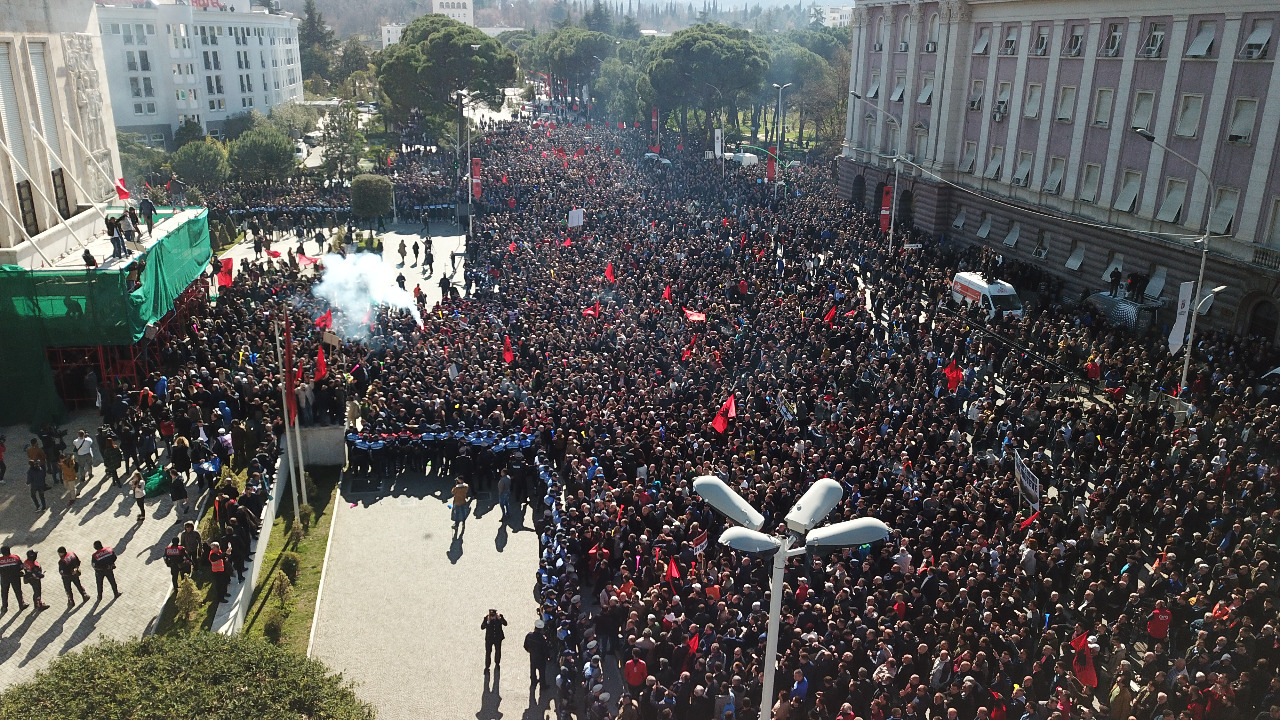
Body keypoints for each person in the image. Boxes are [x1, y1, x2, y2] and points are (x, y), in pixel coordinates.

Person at [0, 545, 28, 612]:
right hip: (15, 577)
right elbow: (21, 567)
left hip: (4, 579)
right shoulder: (15, 558)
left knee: (4, 592)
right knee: (18, 591)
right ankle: (21, 605)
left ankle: (4, 607)